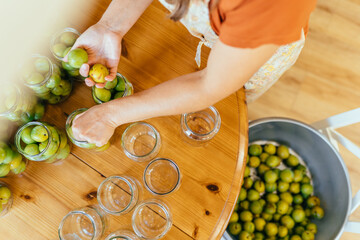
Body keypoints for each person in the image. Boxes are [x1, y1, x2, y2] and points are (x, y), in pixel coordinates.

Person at [69, 0, 316, 147]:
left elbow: (209, 86)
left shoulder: (271, 6)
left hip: (258, 48)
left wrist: (110, 116)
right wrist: (109, 27)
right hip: (213, 28)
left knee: (233, 100)